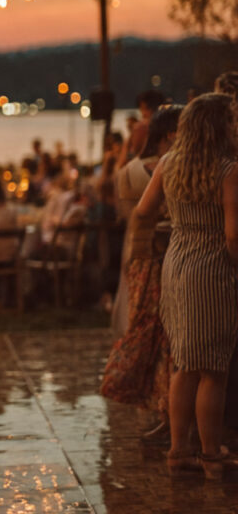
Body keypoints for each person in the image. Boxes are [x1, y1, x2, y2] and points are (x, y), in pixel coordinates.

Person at [135, 93, 238, 479]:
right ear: (218, 126)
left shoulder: (168, 163)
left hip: (176, 263)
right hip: (211, 267)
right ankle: (212, 456)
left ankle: (180, 452)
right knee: (214, 368)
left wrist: (179, 216)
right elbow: (233, 235)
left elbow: (143, 210)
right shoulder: (228, 170)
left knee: (184, 363)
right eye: (231, 120)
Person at [100, 105, 181, 432]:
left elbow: (126, 217)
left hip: (140, 257)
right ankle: (167, 413)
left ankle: (162, 408)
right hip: (170, 256)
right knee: (168, 339)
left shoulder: (129, 173)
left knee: (146, 331)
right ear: (170, 134)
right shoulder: (177, 168)